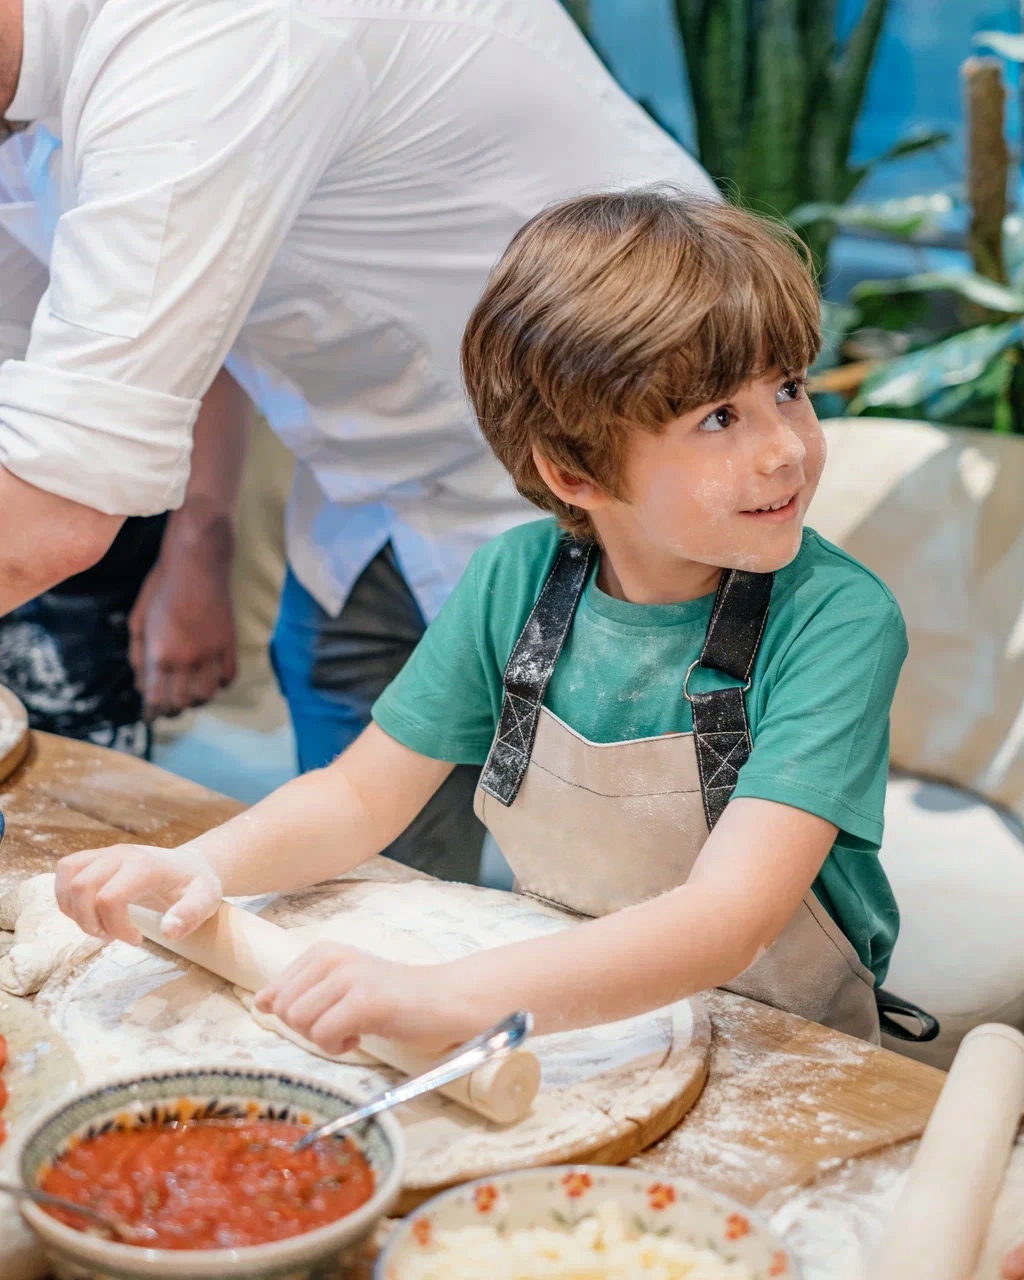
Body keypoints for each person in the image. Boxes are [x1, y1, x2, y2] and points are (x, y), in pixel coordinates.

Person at [56, 189, 910, 1055]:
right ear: (575, 474)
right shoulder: (515, 581)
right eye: (719, 418)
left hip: (780, 1043)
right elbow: (358, 797)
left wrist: (449, 998)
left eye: (790, 389)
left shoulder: (836, 621)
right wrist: (204, 867)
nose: (787, 448)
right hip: (569, 1010)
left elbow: (728, 919)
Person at [0, 0, 717, 880]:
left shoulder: (214, 33)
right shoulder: (24, 110)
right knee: (367, 895)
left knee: (653, 921)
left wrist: (191, 541)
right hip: (369, 498)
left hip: (616, 488)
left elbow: (53, 503)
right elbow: (72, 365)